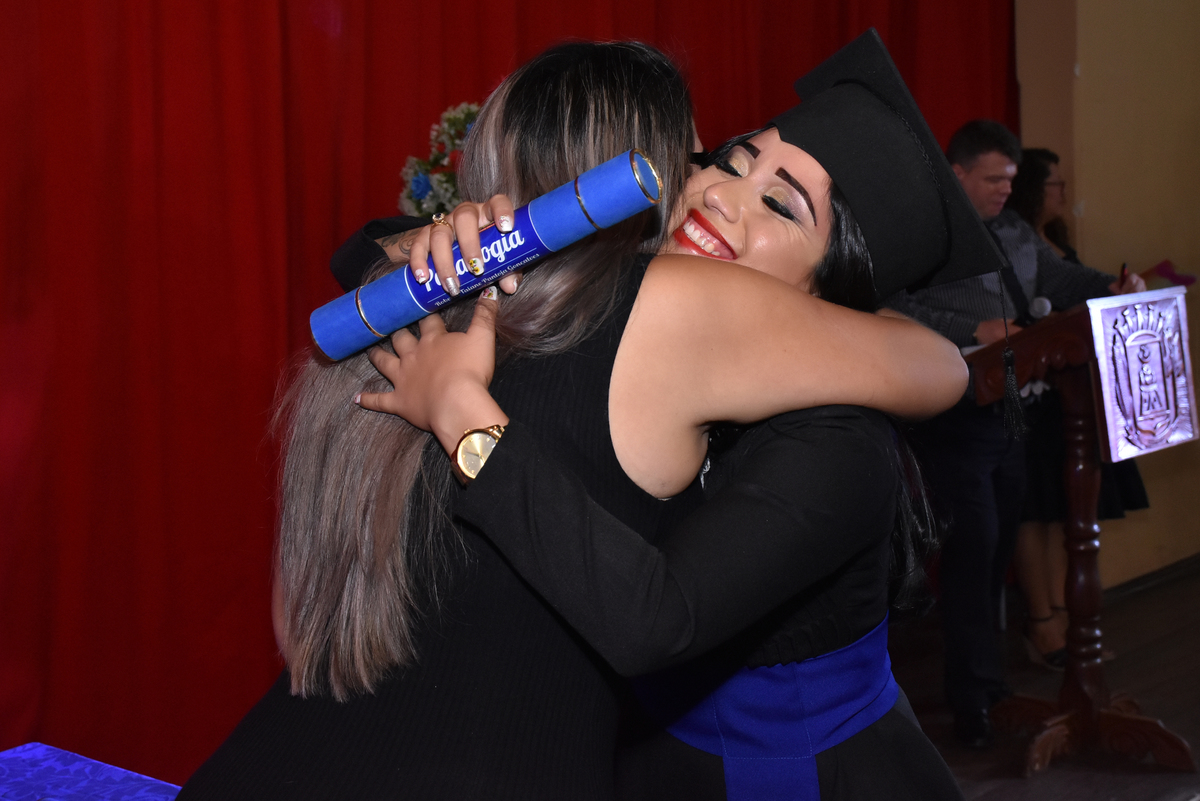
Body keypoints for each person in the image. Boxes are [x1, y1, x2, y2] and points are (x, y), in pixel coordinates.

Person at [180, 40, 967, 801]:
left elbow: (655, 618)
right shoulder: (578, 309)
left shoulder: (830, 432)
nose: (718, 195)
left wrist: (457, 385)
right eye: (724, 162)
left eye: (779, 205)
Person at [886, 120, 1145, 747]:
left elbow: (1060, 281)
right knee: (972, 557)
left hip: (1013, 416)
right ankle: (971, 700)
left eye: (1010, 179)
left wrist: (1112, 286)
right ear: (958, 175)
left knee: (998, 553)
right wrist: (971, 331)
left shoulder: (1015, 232)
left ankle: (992, 686)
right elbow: (889, 305)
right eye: (993, 179)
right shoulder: (924, 234)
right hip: (953, 417)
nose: (1006, 189)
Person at [1005, 147, 1150, 668]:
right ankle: (1042, 620)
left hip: (1070, 389)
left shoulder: (1047, 242)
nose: (1064, 192)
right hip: (1028, 391)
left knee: (1065, 509)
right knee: (1034, 510)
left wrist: (1117, 286)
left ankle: (1068, 615)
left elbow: (1078, 284)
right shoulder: (1006, 236)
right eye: (1055, 184)